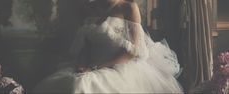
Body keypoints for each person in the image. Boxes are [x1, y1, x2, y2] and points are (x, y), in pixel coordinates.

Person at [32, 0, 183, 93]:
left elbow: (133, 51)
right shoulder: (89, 7)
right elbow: (86, 43)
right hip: (90, 64)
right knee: (70, 84)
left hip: (121, 66)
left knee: (82, 88)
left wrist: (97, 67)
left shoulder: (129, 7)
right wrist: (82, 64)